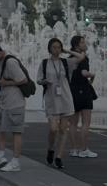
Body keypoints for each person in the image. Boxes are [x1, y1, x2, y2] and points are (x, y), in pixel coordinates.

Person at [0, 41, 27, 172]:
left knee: (16, 131)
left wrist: (6, 83)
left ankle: (15, 162)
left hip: (15, 102)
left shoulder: (10, 62)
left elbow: (23, 79)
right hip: (4, 102)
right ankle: (1, 156)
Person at [37, 37, 74, 171]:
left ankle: (59, 157)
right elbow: (38, 80)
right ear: (49, 48)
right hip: (52, 99)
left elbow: (81, 57)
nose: (56, 50)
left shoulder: (65, 62)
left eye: (59, 47)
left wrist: (67, 51)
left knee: (64, 129)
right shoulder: (44, 63)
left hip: (65, 98)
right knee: (53, 128)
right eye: (54, 47)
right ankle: (51, 148)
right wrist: (44, 81)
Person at [67, 34, 98, 157]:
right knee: (85, 123)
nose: (85, 45)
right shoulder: (83, 58)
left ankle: (74, 149)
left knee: (73, 124)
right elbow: (84, 73)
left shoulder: (69, 58)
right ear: (77, 46)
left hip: (72, 92)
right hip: (84, 92)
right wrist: (93, 74)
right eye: (83, 43)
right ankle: (84, 149)